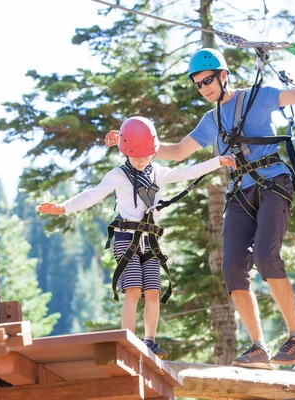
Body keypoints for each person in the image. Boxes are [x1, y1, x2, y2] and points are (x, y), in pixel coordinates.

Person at [105, 49, 295, 369]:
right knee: (232, 268)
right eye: (198, 84)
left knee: (266, 257)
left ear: (224, 76)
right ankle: (258, 347)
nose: (204, 88)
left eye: (207, 80)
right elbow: (178, 152)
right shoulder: (211, 121)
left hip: (273, 182)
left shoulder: (257, 97)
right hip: (239, 190)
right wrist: (134, 142)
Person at [39, 116, 235, 360]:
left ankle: (150, 341)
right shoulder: (118, 175)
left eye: (146, 155)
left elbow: (188, 172)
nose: (141, 160)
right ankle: (128, 339)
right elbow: (92, 195)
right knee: (132, 290)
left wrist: (218, 161)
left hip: (150, 239)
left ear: (154, 151)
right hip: (125, 237)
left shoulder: (159, 173)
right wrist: (64, 207)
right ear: (125, 152)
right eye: (136, 156)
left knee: (152, 291)